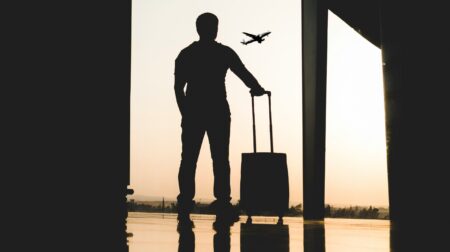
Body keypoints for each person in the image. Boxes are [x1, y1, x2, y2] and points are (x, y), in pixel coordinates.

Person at [174, 12, 266, 226]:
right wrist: (257, 88)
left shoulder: (186, 54)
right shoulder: (223, 53)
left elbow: (179, 88)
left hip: (194, 111)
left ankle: (185, 202)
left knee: (189, 159)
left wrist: (185, 113)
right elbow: (242, 72)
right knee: (220, 159)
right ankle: (223, 202)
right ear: (214, 29)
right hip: (217, 111)